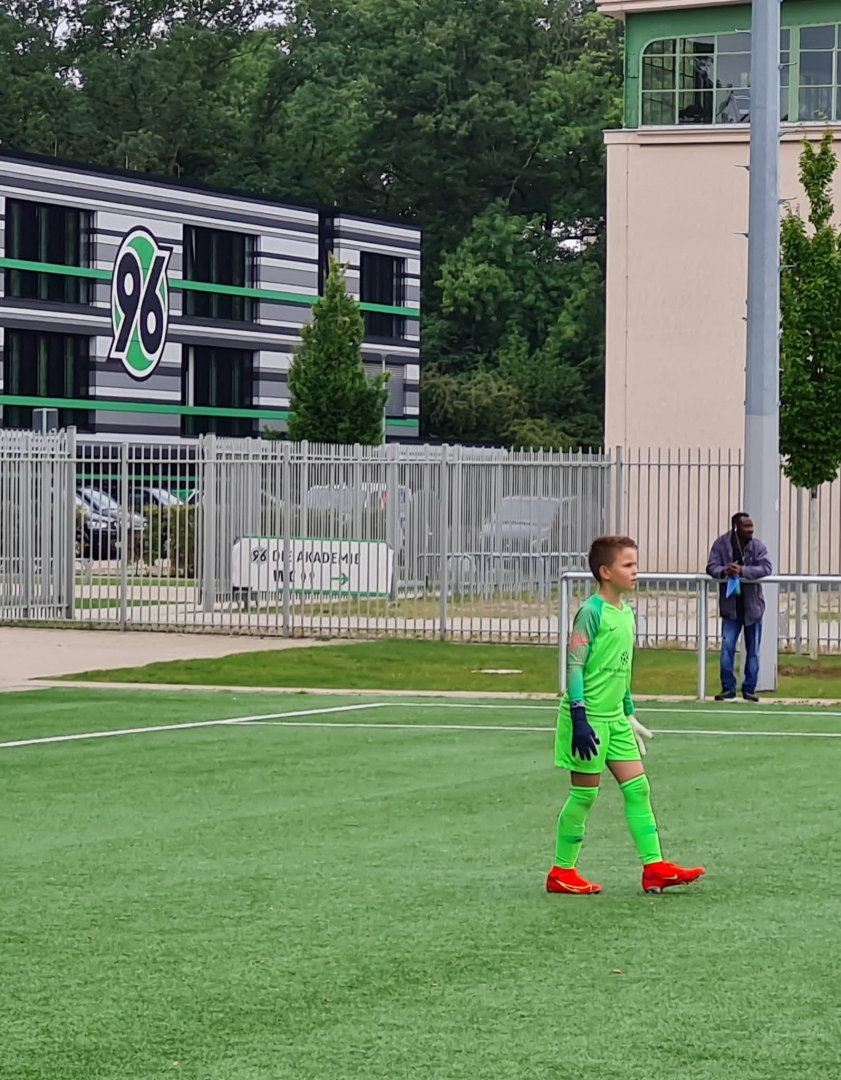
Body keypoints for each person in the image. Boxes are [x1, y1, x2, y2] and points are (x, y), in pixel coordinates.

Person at [546, 535, 705, 896]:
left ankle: (654, 868)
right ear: (605, 572)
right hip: (588, 719)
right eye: (628, 565)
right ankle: (561, 872)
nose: (636, 571)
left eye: (635, 564)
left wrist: (629, 713)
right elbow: (575, 666)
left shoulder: (626, 612)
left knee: (638, 788)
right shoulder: (591, 612)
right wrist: (579, 716)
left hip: (615, 720)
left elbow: (622, 667)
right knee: (584, 795)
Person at [706, 513, 772, 703]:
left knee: (753, 650)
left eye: (751, 526)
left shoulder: (757, 547)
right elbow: (711, 566)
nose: (751, 530)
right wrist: (724, 570)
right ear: (736, 528)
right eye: (746, 526)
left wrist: (743, 571)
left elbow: (766, 568)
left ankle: (749, 688)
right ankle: (728, 688)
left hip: (753, 607)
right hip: (731, 607)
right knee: (727, 648)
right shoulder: (721, 544)